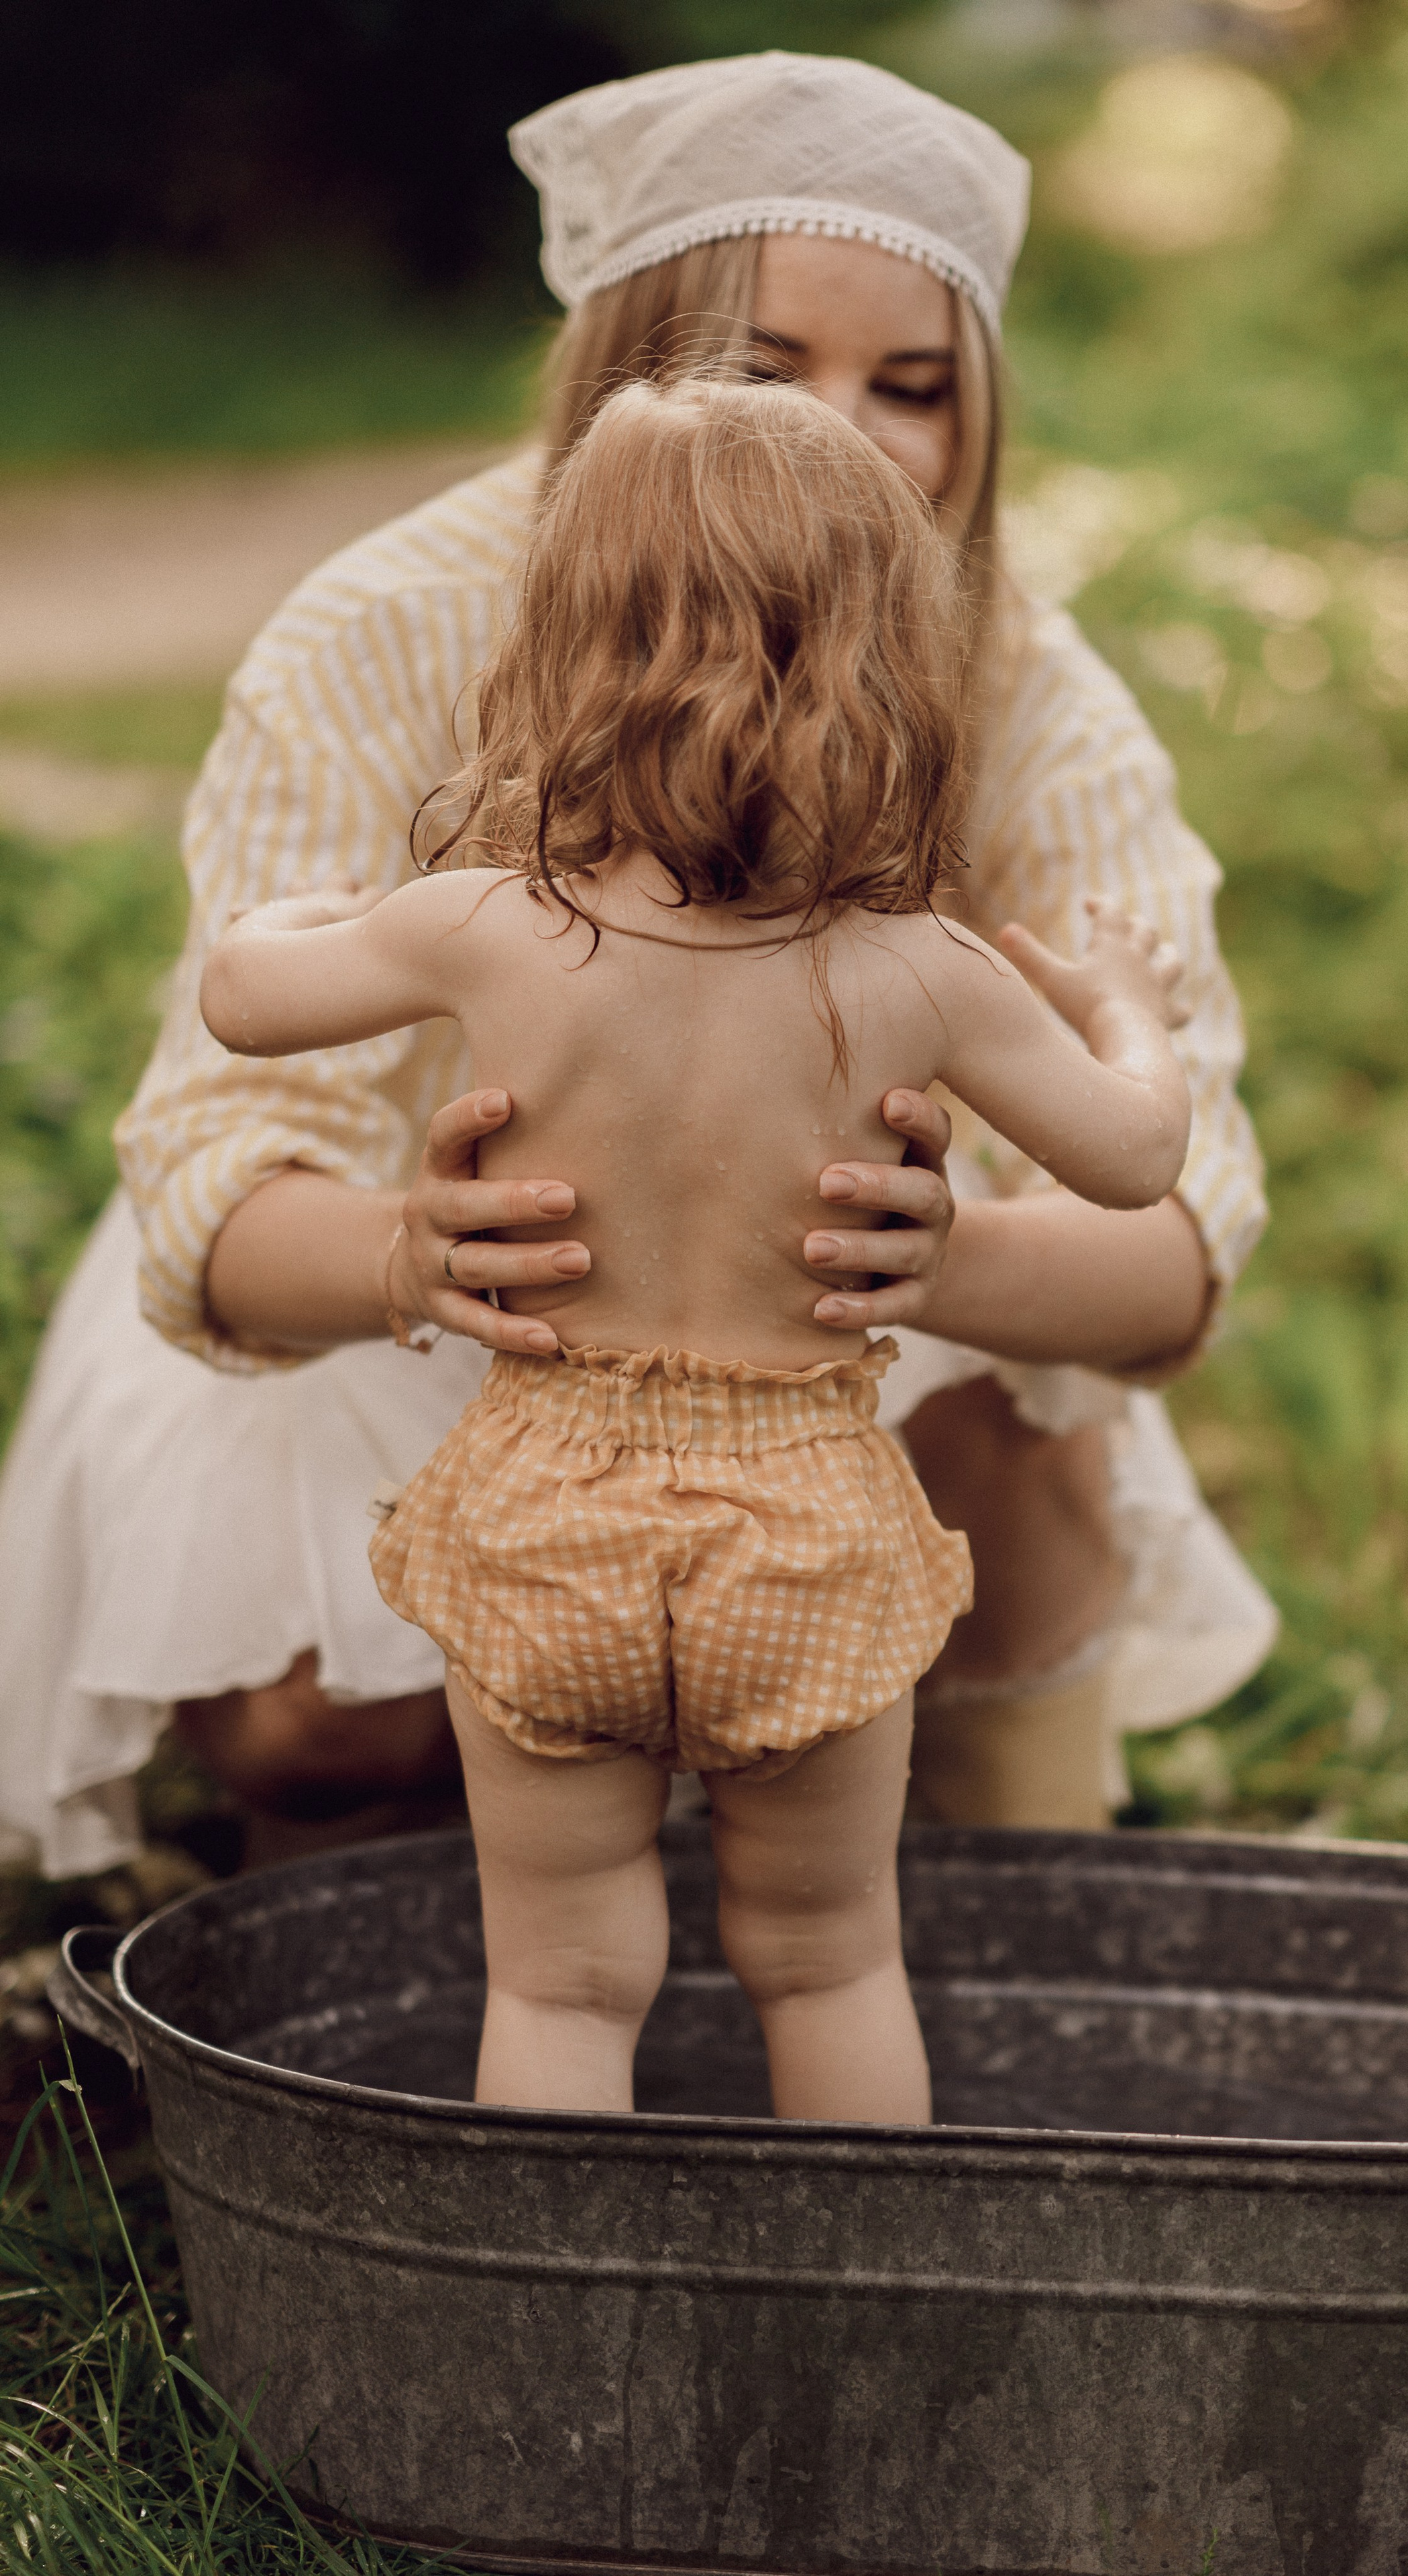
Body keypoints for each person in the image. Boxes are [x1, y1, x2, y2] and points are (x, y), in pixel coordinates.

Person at [0, 52, 1270, 1883]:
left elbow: (1170, 1244)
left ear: (975, 422)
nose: (841, 436)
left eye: (912, 387)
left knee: (1023, 1434)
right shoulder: (393, 626)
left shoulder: (1028, 691)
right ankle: (406, 1901)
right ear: (619, 389)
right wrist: (409, 1250)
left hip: (810, 1329)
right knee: (322, 1706)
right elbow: (225, 1139)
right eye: (765, 372)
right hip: (434, 1301)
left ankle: (993, 1936)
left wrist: (953, 1253)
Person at [199, 374, 1192, 2116]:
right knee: (828, 1957)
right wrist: (1126, 1013)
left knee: (568, 1978)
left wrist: (302, 917)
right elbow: (1135, 1158)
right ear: (894, 662)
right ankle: (851, 2333)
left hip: (548, 1522)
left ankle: (567, 2343)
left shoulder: (487, 924)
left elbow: (244, 996)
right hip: (803, 1539)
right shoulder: (919, 969)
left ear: (561, 649)